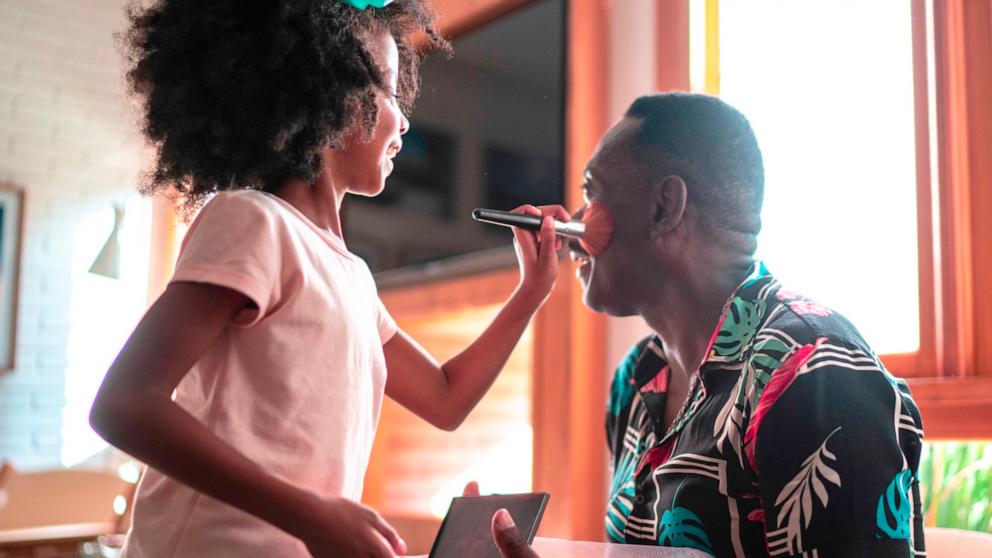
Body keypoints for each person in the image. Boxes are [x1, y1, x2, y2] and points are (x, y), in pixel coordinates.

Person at [88, 1, 568, 557]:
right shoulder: (252, 220)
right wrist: (308, 515)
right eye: (391, 92)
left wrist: (530, 293)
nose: (406, 119)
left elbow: (445, 399)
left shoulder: (354, 278)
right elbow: (123, 404)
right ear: (332, 99)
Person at [485, 93, 925, 558]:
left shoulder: (815, 372)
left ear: (664, 207)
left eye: (591, 193)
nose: (570, 225)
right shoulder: (636, 379)